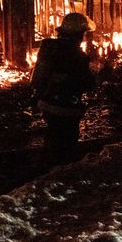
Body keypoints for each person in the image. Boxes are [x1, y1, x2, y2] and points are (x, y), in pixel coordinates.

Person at [30, 12, 96, 161]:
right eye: (83, 34)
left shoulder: (48, 47)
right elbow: (87, 84)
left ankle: (46, 168)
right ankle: (61, 171)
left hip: (46, 104)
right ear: (78, 34)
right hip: (66, 109)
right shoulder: (77, 56)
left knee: (52, 137)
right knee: (67, 145)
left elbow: (38, 79)